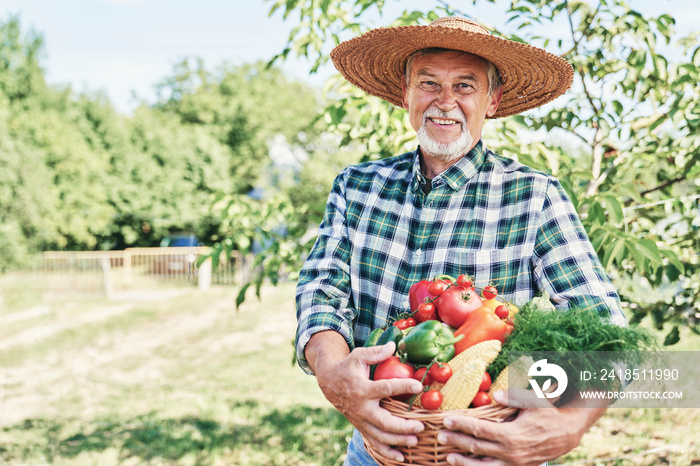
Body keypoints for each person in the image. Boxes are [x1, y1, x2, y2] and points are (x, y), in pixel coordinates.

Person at [295, 17, 626, 466]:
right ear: (407, 95)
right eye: (428, 83)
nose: (444, 102)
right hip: (376, 448)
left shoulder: (534, 195)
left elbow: (604, 326)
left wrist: (569, 426)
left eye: (465, 86)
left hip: (492, 448)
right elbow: (321, 291)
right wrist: (334, 375)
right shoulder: (357, 186)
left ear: (493, 100)